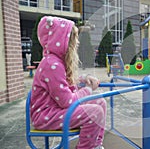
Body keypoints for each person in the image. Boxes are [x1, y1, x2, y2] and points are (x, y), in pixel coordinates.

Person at [30, 16, 106, 149]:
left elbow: (65, 84)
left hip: (55, 110)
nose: (77, 43)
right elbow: (67, 101)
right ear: (62, 40)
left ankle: (95, 144)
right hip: (46, 116)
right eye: (73, 38)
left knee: (100, 101)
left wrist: (83, 79)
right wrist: (87, 89)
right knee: (94, 112)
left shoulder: (57, 62)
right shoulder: (51, 64)